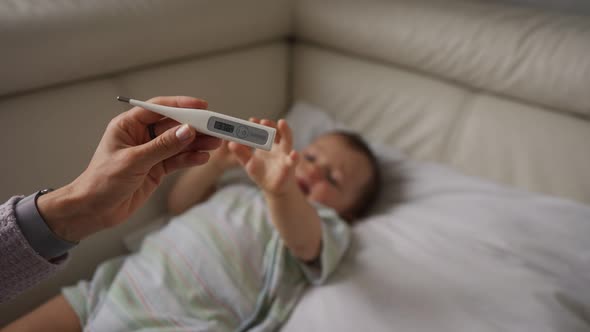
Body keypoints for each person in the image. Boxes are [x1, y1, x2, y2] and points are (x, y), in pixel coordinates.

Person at [4, 119, 382, 331]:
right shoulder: (244, 186)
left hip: (185, 318)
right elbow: (180, 205)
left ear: (348, 212)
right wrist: (217, 166)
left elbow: (304, 243)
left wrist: (282, 191)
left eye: (332, 179)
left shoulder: (323, 223)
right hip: (118, 283)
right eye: (312, 156)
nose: (314, 169)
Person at [0, 96, 221, 304]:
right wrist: (221, 163)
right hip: (132, 278)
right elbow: (178, 204)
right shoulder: (235, 180)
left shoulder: (255, 191)